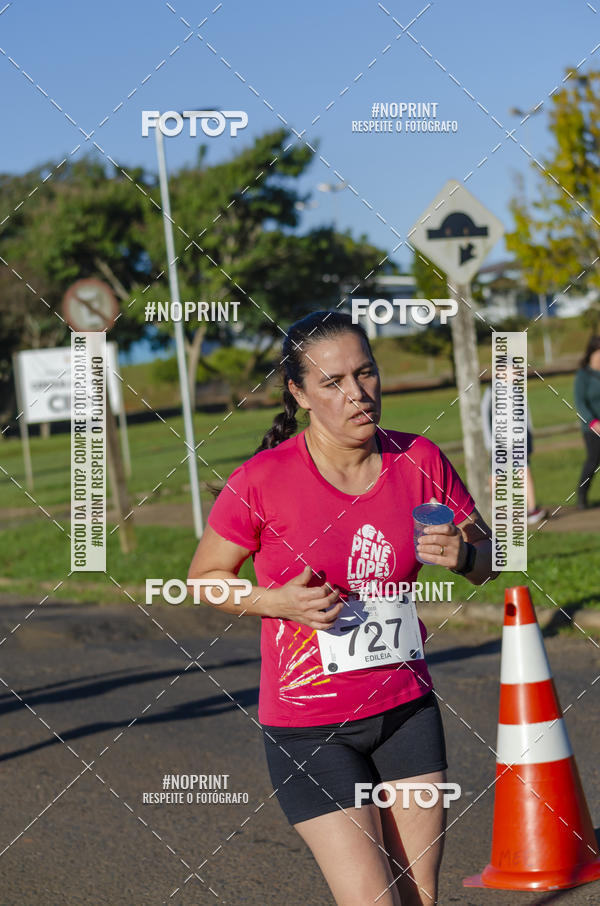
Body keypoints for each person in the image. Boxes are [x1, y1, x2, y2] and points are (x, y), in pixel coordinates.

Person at [188, 311, 498, 906]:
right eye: (332, 382)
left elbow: (489, 556)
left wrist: (464, 555)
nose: (356, 393)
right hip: (309, 729)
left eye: (366, 373)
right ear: (299, 394)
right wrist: (277, 601)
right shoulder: (261, 481)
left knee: (418, 896)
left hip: (407, 710)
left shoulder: (421, 460)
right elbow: (205, 579)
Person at [480, 383, 548, 525]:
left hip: (519, 441)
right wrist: (490, 442)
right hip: (499, 442)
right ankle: (495, 509)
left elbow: (526, 417)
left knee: (524, 471)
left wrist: (529, 439)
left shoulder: (518, 389)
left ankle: (532, 509)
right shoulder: (491, 391)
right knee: (496, 475)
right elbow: (485, 415)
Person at [574, 335, 600, 509]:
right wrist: (593, 422)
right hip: (591, 427)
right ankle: (582, 495)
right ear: (592, 353)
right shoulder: (583, 375)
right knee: (593, 460)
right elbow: (580, 402)